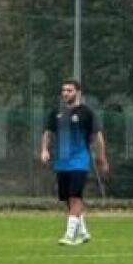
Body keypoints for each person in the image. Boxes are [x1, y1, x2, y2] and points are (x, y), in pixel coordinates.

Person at [40, 79, 109, 246]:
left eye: (69, 90)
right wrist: (44, 150)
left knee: (75, 196)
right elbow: (48, 133)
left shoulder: (86, 113)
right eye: (63, 90)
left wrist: (102, 158)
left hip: (79, 160)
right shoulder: (56, 112)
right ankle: (83, 231)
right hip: (61, 162)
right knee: (68, 200)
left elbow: (98, 137)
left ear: (78, 92)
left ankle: (69, 235)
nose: (65, 93)